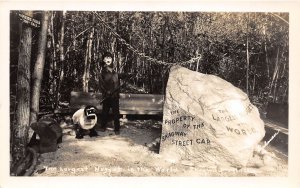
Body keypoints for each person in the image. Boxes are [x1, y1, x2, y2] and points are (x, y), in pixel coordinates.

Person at [98, 52, 120, 135]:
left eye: (110, 58)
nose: (108, 59)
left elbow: (117, 81)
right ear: (103, 60)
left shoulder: (114, 72)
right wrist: (106, 92)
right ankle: (103, 126)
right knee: (105, 112)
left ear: (112, 59)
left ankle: (117, 128)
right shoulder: (102, 72)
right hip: (106, 96)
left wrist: (127, 75)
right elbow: (101, 85)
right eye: (106, 58)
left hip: (114, 96)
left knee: (116, 113)